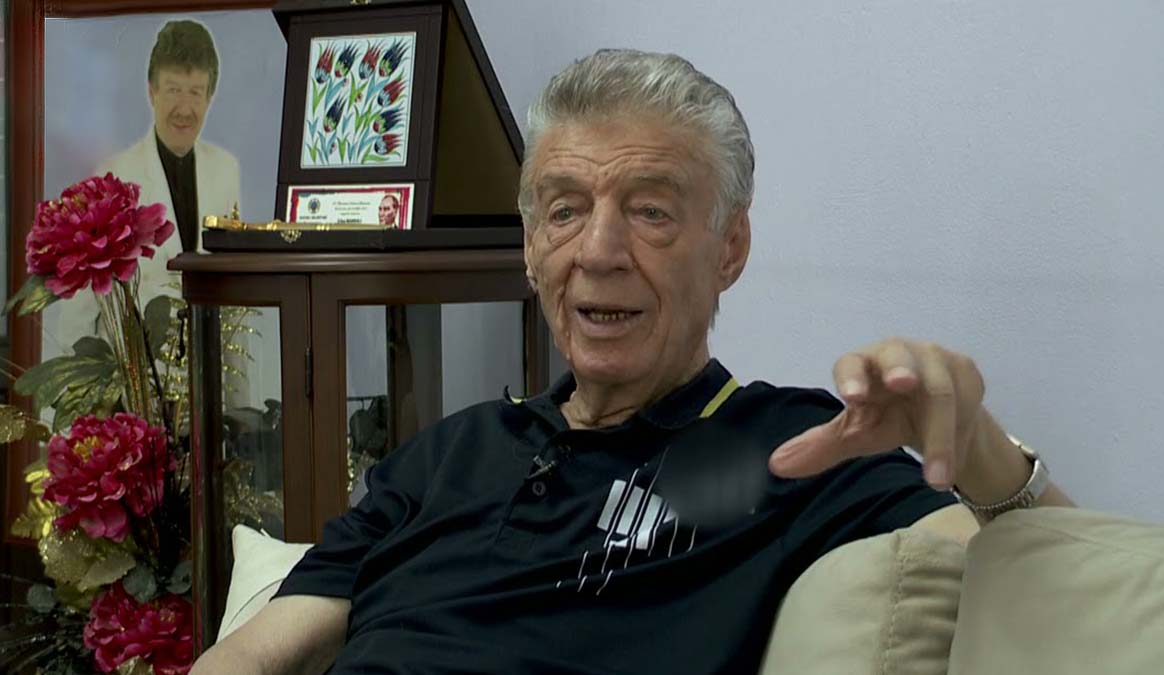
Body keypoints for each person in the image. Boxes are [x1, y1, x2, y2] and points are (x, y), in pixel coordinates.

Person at [194, 49, 1072, 675]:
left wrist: (986, 456)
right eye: (565, 210)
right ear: (531, 246)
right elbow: (257, 655)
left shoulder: (794, 450)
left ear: (730, 247)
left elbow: (1075, 596)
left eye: (650, 211)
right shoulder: (445, 455)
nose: (599, 251)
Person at [47, 19, 239, 357]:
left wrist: (240, 392)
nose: (184, 109)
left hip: (208, 378)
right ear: (152, 92)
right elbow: (78, 319)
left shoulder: (226, 171)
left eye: (195, 92)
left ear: (210, 97)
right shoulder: (113, 177)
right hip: (133, 385)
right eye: (173, 90)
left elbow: (234, 305)